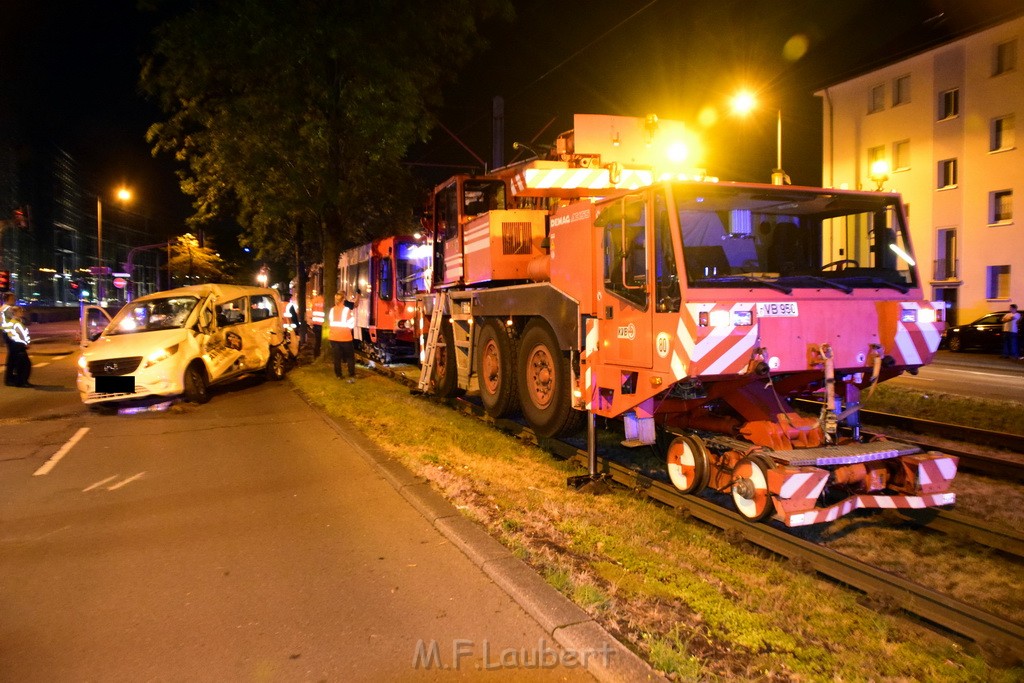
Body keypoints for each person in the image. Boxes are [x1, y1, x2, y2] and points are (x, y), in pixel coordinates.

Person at [328, 292, 356, 382]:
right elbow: (351, 324)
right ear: (343, 299)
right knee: (350, 357)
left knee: (337, 358)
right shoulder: (347, 310)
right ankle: (351, 373)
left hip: (333, 337)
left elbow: (330, 323)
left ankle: (338, 375)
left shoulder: (332, 310)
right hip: (345, 337)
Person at [6, 305, 32, 387]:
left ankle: (22, 381)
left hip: (18, 345)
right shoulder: (15, 323)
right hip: (18, 345)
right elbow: (20, 335)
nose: (22, 312)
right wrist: (25, 342)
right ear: (15, 313)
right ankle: (21, 382)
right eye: (20, 311)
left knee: (22, 364)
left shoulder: (18, 321)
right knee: (24, 364)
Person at [1, 291, 16, 386]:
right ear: (8, 299)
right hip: (10, 333)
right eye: (12, 298)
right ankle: (10, 378)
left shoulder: (2, 308)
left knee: (11, 354)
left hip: (5, 333)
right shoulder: (8, 309)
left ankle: (9, 378)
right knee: (12, 355)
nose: (14, 300)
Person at [306, 290, 324, 358]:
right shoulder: (325, 300)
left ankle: (316, 355)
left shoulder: (314, 300)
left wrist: (310, 322)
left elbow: (311, 311)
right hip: (322, 324)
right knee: (322, 341)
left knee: (317, 341)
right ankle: (320, 355)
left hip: (315, 323)